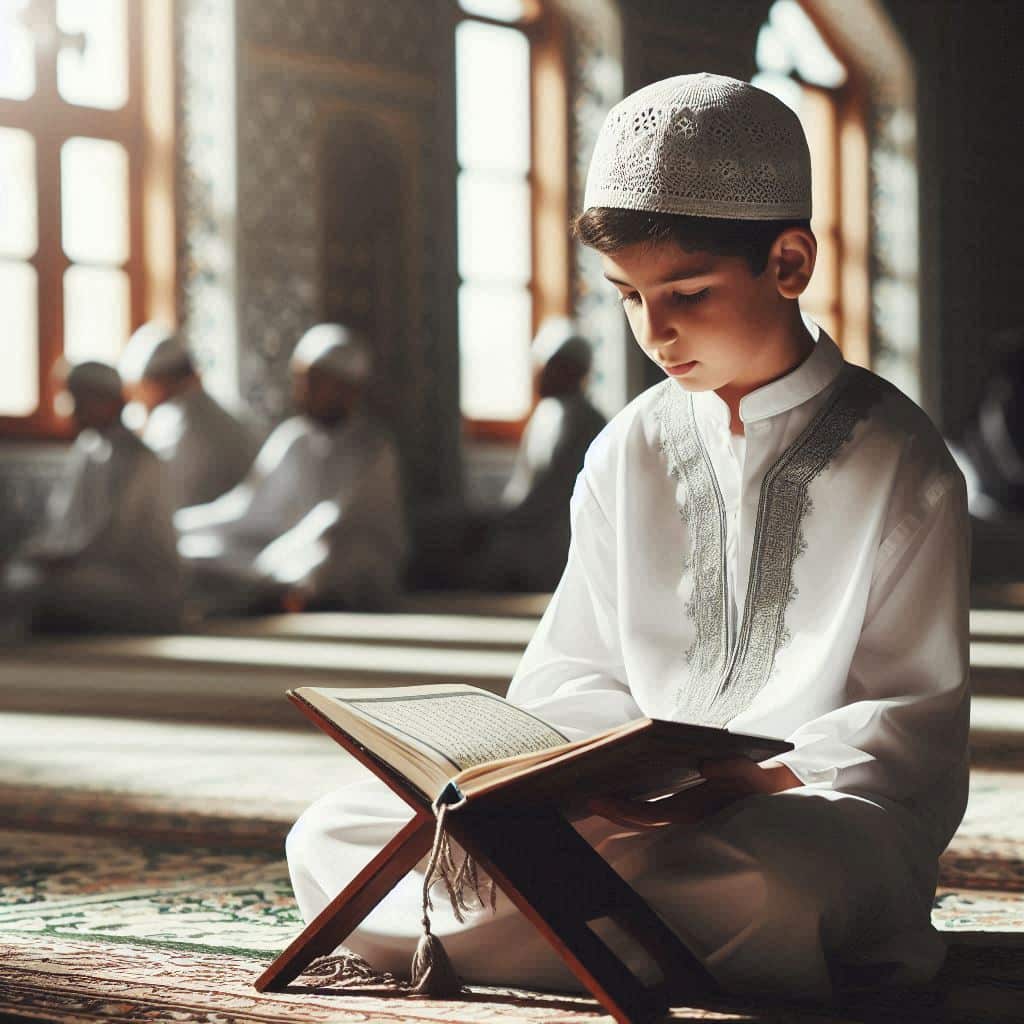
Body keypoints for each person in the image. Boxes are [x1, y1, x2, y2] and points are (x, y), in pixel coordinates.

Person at [286, 74, 969, 1002]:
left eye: (686, 290)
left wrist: (747, 783)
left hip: (793, 817)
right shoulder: (630, 444)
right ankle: (615, 940)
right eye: (627, 296)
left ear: (790, 262)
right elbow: (573, 668)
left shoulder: (901, 459)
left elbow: (907, 720)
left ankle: (543, 935)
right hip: (611, 814)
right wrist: (577, 777)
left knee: (776, 889)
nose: (656, 330)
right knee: (331, 833)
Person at [176, 323, 408, 616]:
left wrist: (273, 559)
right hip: (278, 554)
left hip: (339, 556)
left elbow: (331, 523)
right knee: (192, 550)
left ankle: (278, 596)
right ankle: (270, 594)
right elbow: (245, 507)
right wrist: (177, 525)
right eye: (301, 380)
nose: (302, 391)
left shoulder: (373, 447)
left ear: (345, 387)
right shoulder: (293, 438)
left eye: (313, 381)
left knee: (326, 560)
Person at [0, 361, 183, 637]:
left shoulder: (138, 459)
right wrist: (41, 554)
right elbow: (62, 522)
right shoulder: (87, 450)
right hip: (91, 570)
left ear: (107, 401)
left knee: (36, 590)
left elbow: (114, 537)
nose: (72, 409)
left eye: (79, 400)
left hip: (138, 583)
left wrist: (64, 561)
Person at [469, 319, 607, 591]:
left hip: (559, 539)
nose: (540, 375)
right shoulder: (545, 416)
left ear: (573, 371)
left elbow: (552, 496)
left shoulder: (588, 424)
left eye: (550, 367)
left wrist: (501, 523)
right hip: (529, 530)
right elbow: (522, 487)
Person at [119, 323, 256, 511]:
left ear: (156, 383)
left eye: (138, 390)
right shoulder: (229, 415)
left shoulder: (170, 423)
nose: (135, 401)